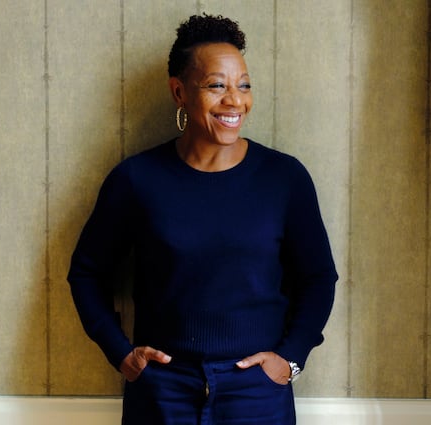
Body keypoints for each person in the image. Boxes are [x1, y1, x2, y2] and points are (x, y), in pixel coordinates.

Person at [68, 14, 338, 425]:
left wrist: (290, 361)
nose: (234, 100)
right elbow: (86, 272)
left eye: (243, 85)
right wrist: (121, 353)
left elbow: (319, 278)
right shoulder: (137, 179)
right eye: (217, 85)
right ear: (179, 92)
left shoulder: (284, 179)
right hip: (162, 392)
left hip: (257, 394)